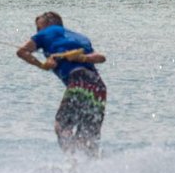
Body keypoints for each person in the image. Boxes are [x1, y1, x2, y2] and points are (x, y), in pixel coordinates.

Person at [16, 11, 107, 159]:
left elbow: (22, 51)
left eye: (38, 28)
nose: (37, 32)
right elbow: (101, 57)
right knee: (87, 137)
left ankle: (73, 163)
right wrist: (82, 57)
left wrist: (42, 65)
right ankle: (95, 170)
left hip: (79, 80)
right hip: (98, 87)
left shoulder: (46, 32)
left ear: (48, 24)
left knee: (62, 127)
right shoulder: (81, 38)